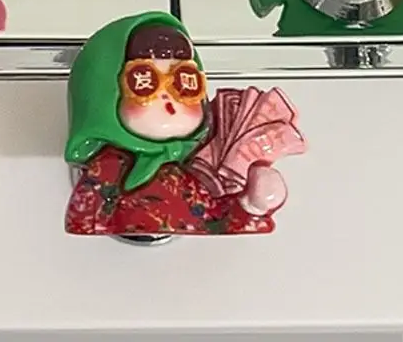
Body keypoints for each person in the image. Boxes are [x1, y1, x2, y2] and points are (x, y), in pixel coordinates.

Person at [64, 12, 290, 236]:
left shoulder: (208, 161)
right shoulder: (111, 165)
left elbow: (224, 215)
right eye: (145, 83)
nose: (167, 99)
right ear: (106, 94)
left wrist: (254, 202)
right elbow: (86, 217)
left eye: (184, 82)